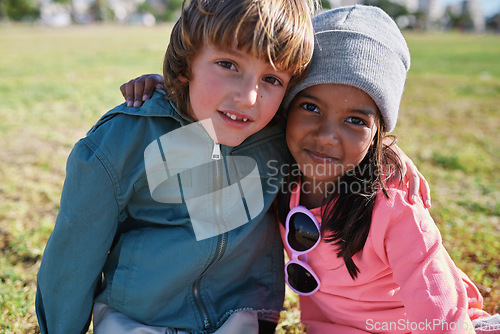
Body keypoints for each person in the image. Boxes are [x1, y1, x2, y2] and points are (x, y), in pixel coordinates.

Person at [36, 0, 318, 333]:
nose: (248, 97)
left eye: (271, 79)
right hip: (136, 319)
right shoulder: (125, 140)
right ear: (186, 64)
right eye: (228, 64)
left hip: (239, 317)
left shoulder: (283, 139)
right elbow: (74, 254)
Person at [273, 5, 496, 333]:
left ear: (379, 133)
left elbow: (440, 311)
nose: (327, 137)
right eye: (310, 107)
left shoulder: (394, 205)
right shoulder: (276, 169)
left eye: (355, 121)